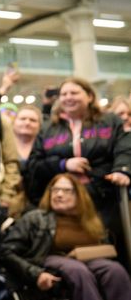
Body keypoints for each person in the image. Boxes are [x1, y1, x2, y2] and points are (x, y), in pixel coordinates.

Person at [0, 173, 131, 300]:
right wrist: (36, 274)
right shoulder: (35, 218)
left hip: (89, 259)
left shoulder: (91, 221)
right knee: (77, 270)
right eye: (55, 190)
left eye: (66, 190)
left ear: (79, 194)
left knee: (115, 270)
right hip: (47, 259)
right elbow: (7, 251)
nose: (59, 194)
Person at [25, 77, 131, 223]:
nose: (68, 97)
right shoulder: (47, 128)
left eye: (74, 93)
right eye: (64, 94)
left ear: (90, 96)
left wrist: (122, 170)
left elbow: (124, 148)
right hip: (59, 203)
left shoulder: (110, 121)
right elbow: (34, 164)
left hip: (103, 199)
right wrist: (63, 164)